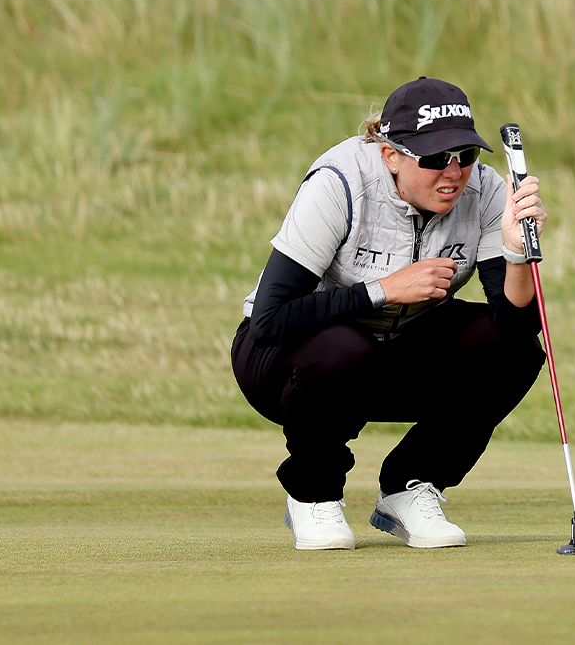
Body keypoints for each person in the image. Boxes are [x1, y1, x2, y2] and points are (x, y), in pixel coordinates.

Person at [230, 77, 547, 550]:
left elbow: (516, 329)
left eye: (465, 155)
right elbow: (270, 319)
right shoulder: (340, 181)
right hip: (284, 361)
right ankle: (314, 496)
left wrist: (516, 253)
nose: (453, 172)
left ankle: (410, 486)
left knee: (514, 351)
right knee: (343, 348)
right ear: (390, 155)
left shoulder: (485, 191)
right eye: (435, 158)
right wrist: (382, 290)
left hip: (397, 354)